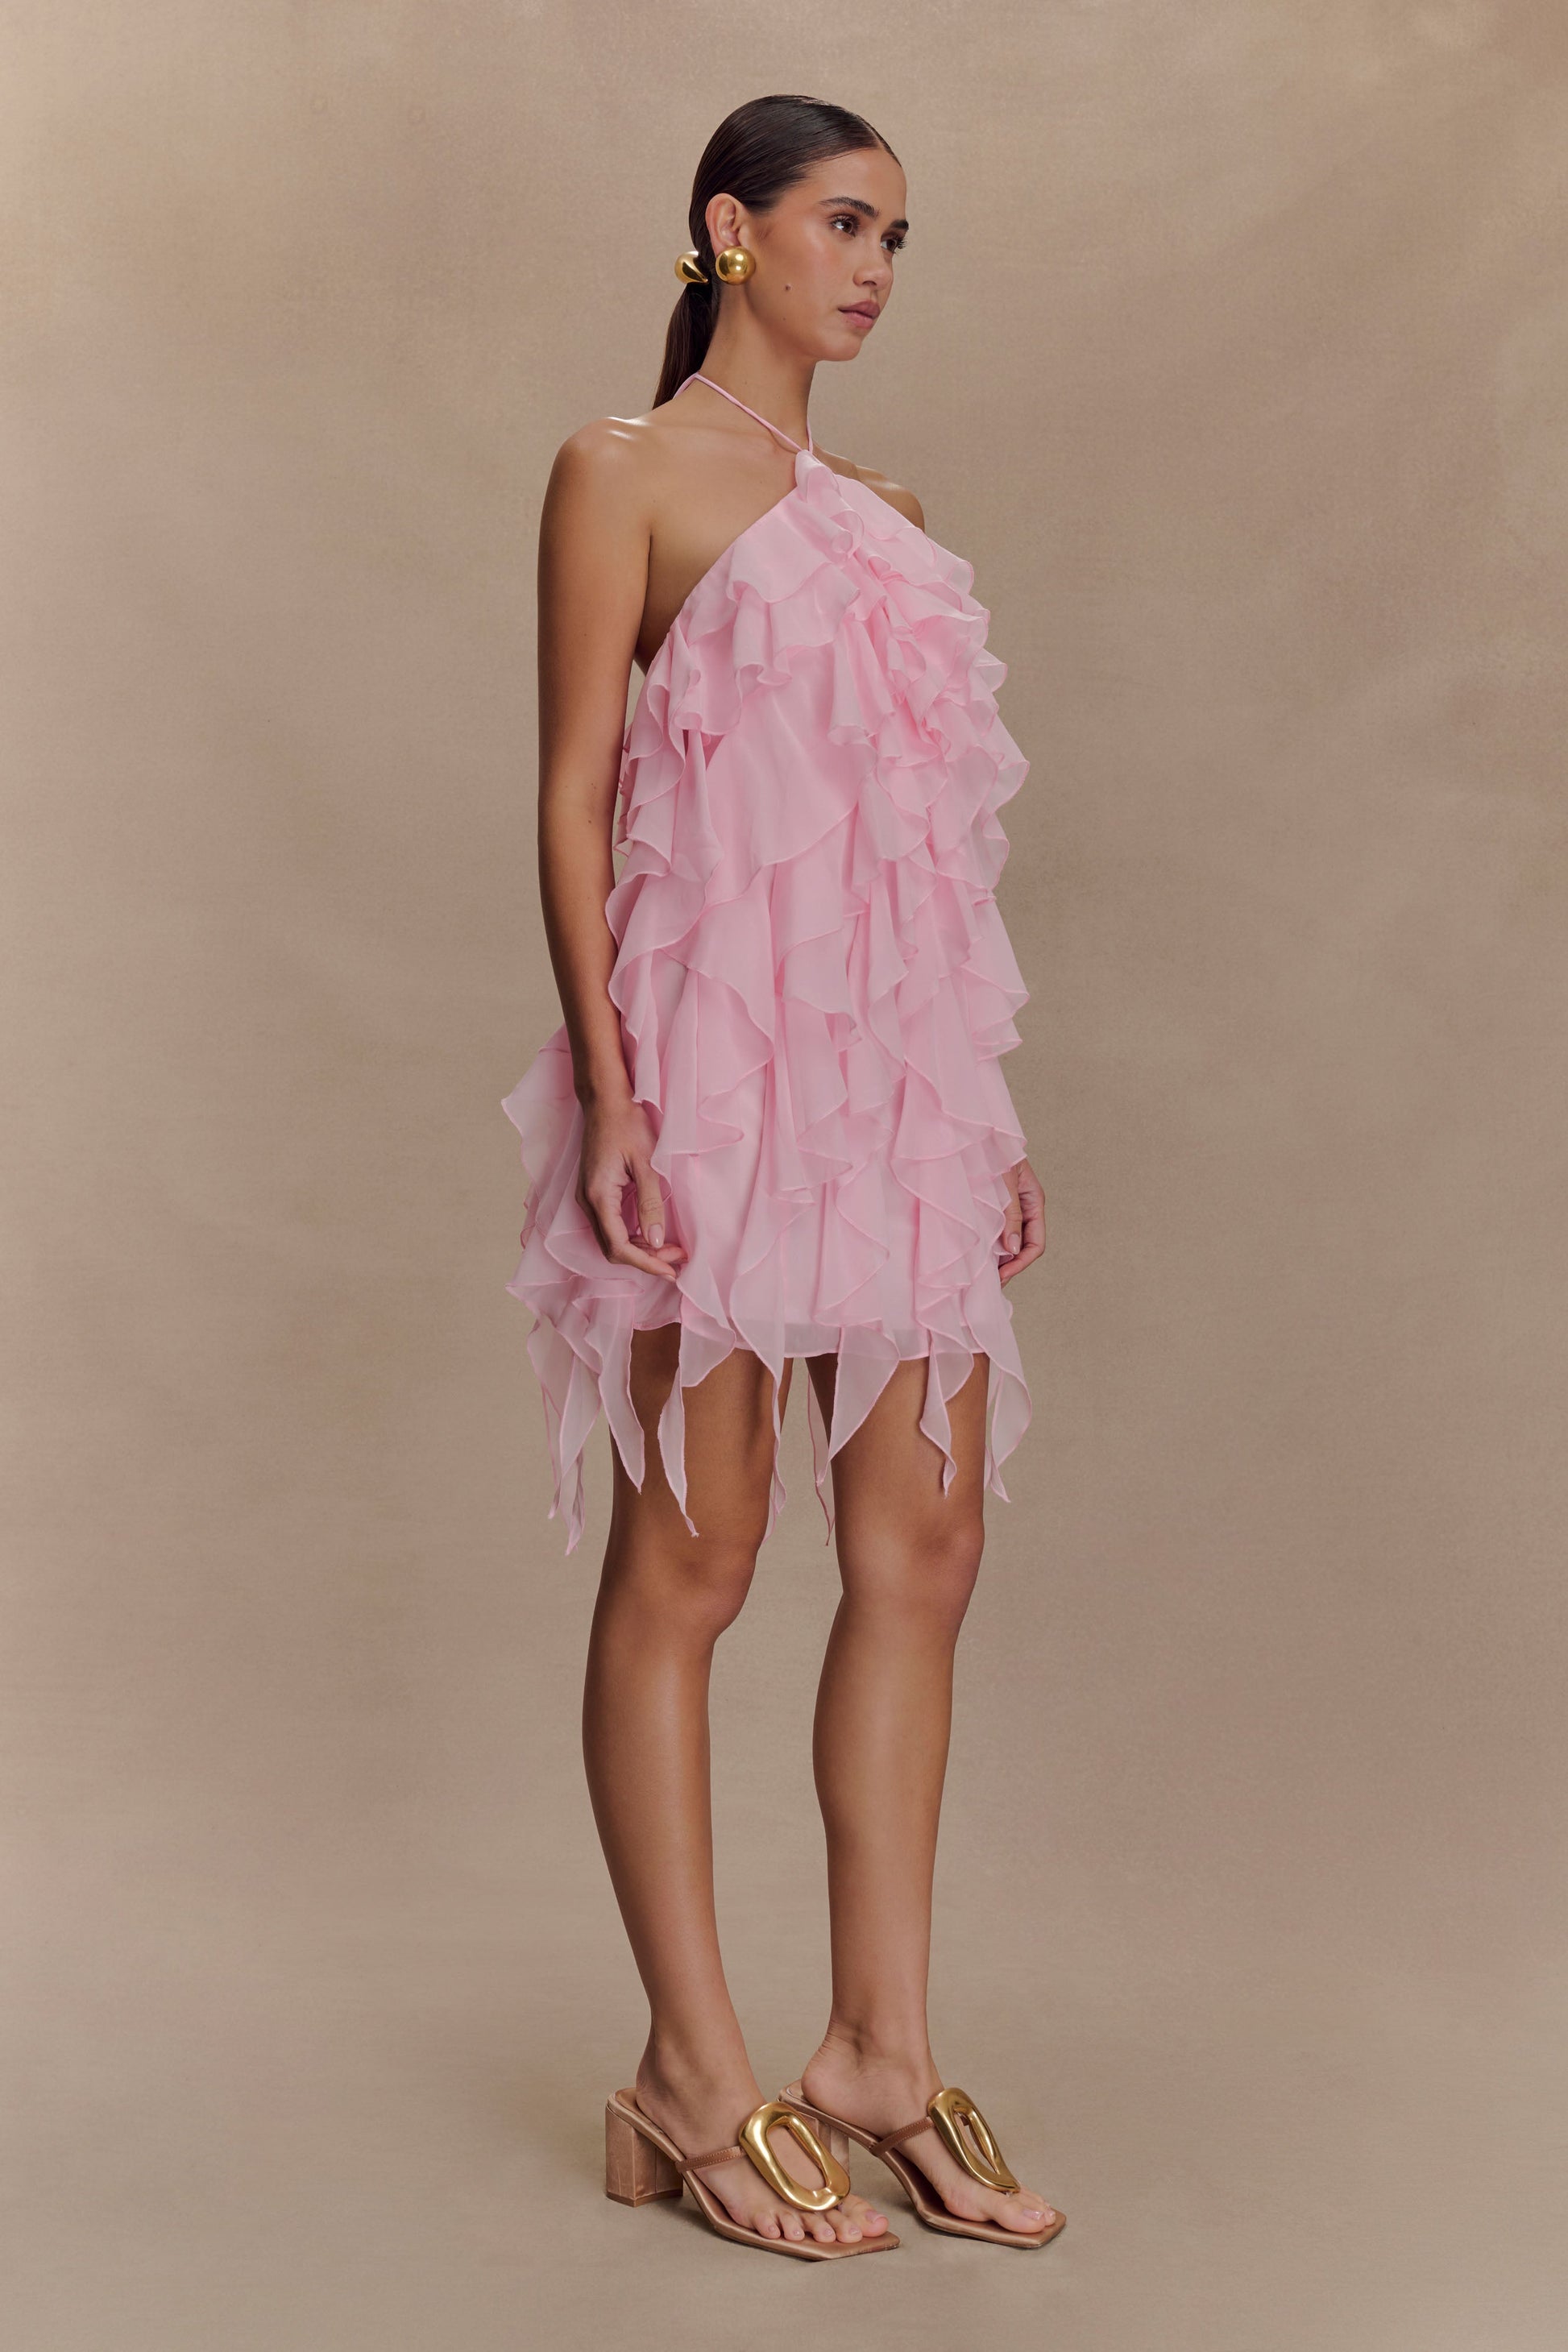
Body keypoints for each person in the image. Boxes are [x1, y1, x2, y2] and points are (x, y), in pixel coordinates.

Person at [502, 93, 1062, 2261]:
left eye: (898, 236)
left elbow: (923, 852)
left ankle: (878, 2058)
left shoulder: (885, 516)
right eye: (845, 223)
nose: (877, 269)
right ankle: (687, 2068)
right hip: (712, 1076)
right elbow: (572, 794)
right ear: (731, 230)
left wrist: (980, 1116)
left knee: (924, 1547)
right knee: (697, 1558)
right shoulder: (619, 474)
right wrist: (618, 1095)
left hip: (895, 1089)